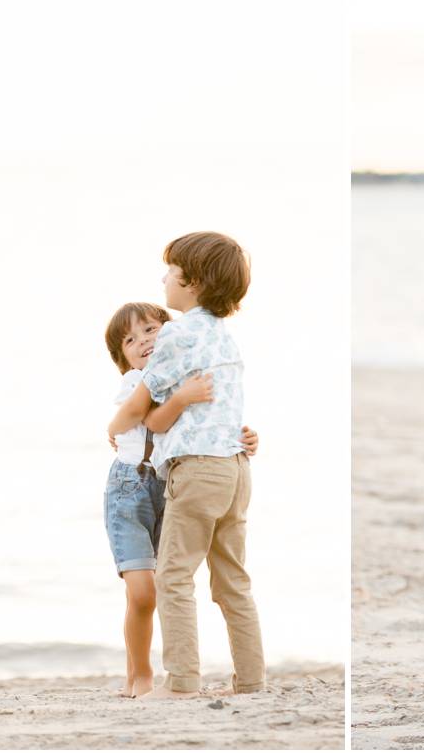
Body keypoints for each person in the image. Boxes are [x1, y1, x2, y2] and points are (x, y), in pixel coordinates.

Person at [107, 231, 263, 697]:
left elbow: (139, 406)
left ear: (192, 282)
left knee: (173, 575)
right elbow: (219, 408)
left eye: (171, 272)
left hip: (198, 470)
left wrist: (115, 425)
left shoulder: (177, 333)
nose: (164, 278)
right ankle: (252, 681)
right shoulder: (224, 337)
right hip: (236, 469)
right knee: (233, 580)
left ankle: (181, 683)